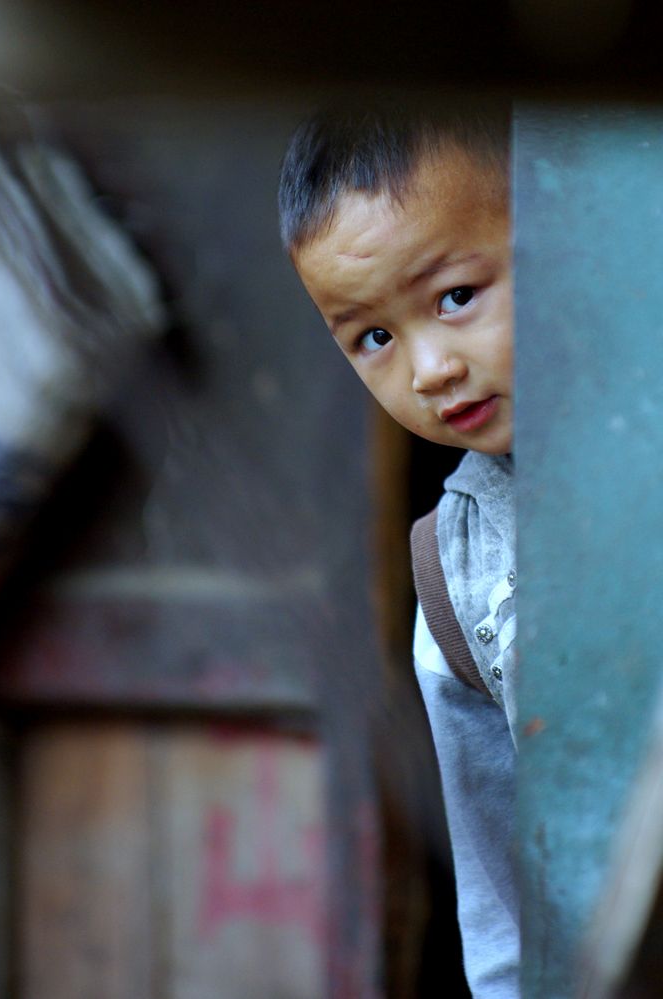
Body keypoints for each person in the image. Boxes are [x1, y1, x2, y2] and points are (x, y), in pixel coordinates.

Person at [278, 98, 518, 998]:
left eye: (457, 296)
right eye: (374, 336)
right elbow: (502, 890)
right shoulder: (454, 577)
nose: (429, 368)